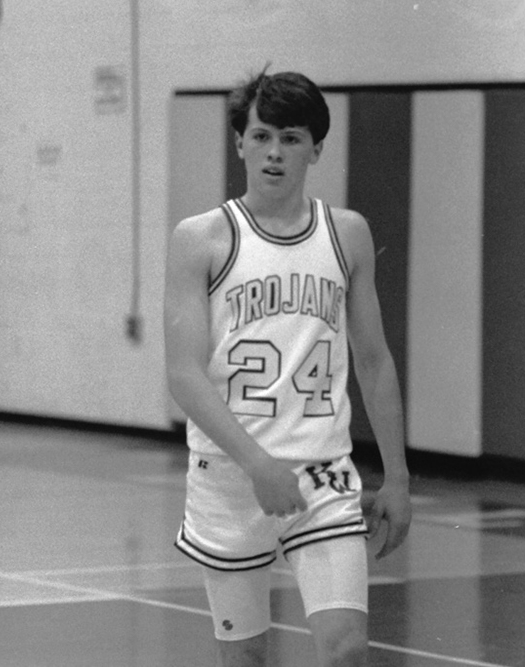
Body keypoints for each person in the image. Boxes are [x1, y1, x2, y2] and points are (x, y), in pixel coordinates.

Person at [164, 68, 412, 667]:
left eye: (292, 138)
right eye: (262, 135)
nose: (275, 151)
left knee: (346, 650)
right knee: (245, 658)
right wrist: (257, 464)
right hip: (231, 476)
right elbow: (183, 374)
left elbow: (374, 361)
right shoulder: (201, 239)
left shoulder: (346, 234)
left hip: (322, 475)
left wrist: (399, 477)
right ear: (240, 142)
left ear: (316, 149)